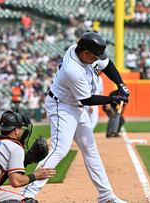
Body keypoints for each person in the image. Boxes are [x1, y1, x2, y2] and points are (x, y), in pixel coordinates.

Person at [20, 32, 130, 203]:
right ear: (85, 53)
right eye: (94, 56)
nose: (96, 60)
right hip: (62, 107)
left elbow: (107, 65)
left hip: (75, 107)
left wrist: (121, 85)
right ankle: (26, 194)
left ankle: (106, 196)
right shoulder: (73, 68)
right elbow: (86, 99)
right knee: (60, 149)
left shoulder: (84, 52)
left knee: (90, 149)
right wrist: (112, 98)